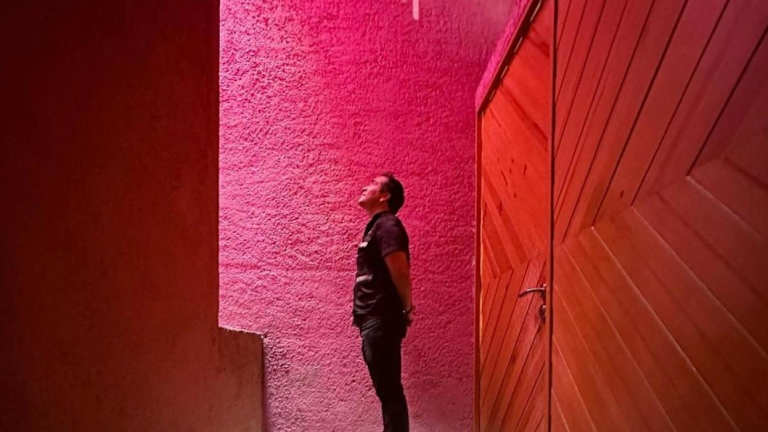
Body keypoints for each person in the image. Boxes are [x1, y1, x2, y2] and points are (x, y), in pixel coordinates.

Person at [353, 172, 413, 432]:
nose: (365, 187)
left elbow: (399, 269)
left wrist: (407, 307)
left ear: (384, 196)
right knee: (387, 392)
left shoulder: (388, 225)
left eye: (373, 185)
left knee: (390, 393)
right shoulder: (377, 226)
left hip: (381, 319)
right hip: (373, 319)